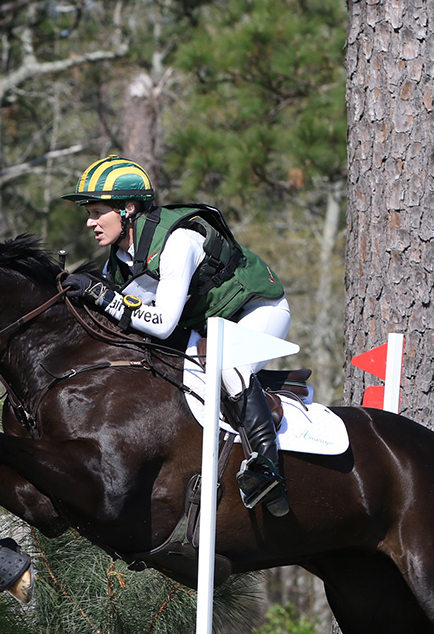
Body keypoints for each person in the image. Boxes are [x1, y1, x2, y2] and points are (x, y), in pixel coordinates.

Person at [60, 154, 292, 516]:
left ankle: (267, 467)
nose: (90, 222)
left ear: (127, 209)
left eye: (97, 212)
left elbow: (162, 323)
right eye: (89, 213)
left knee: (227, 364)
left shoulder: (176, 242)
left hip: (257, 310)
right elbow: (128, 321)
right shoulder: (118, 261)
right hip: (205, 325)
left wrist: (104, 297)